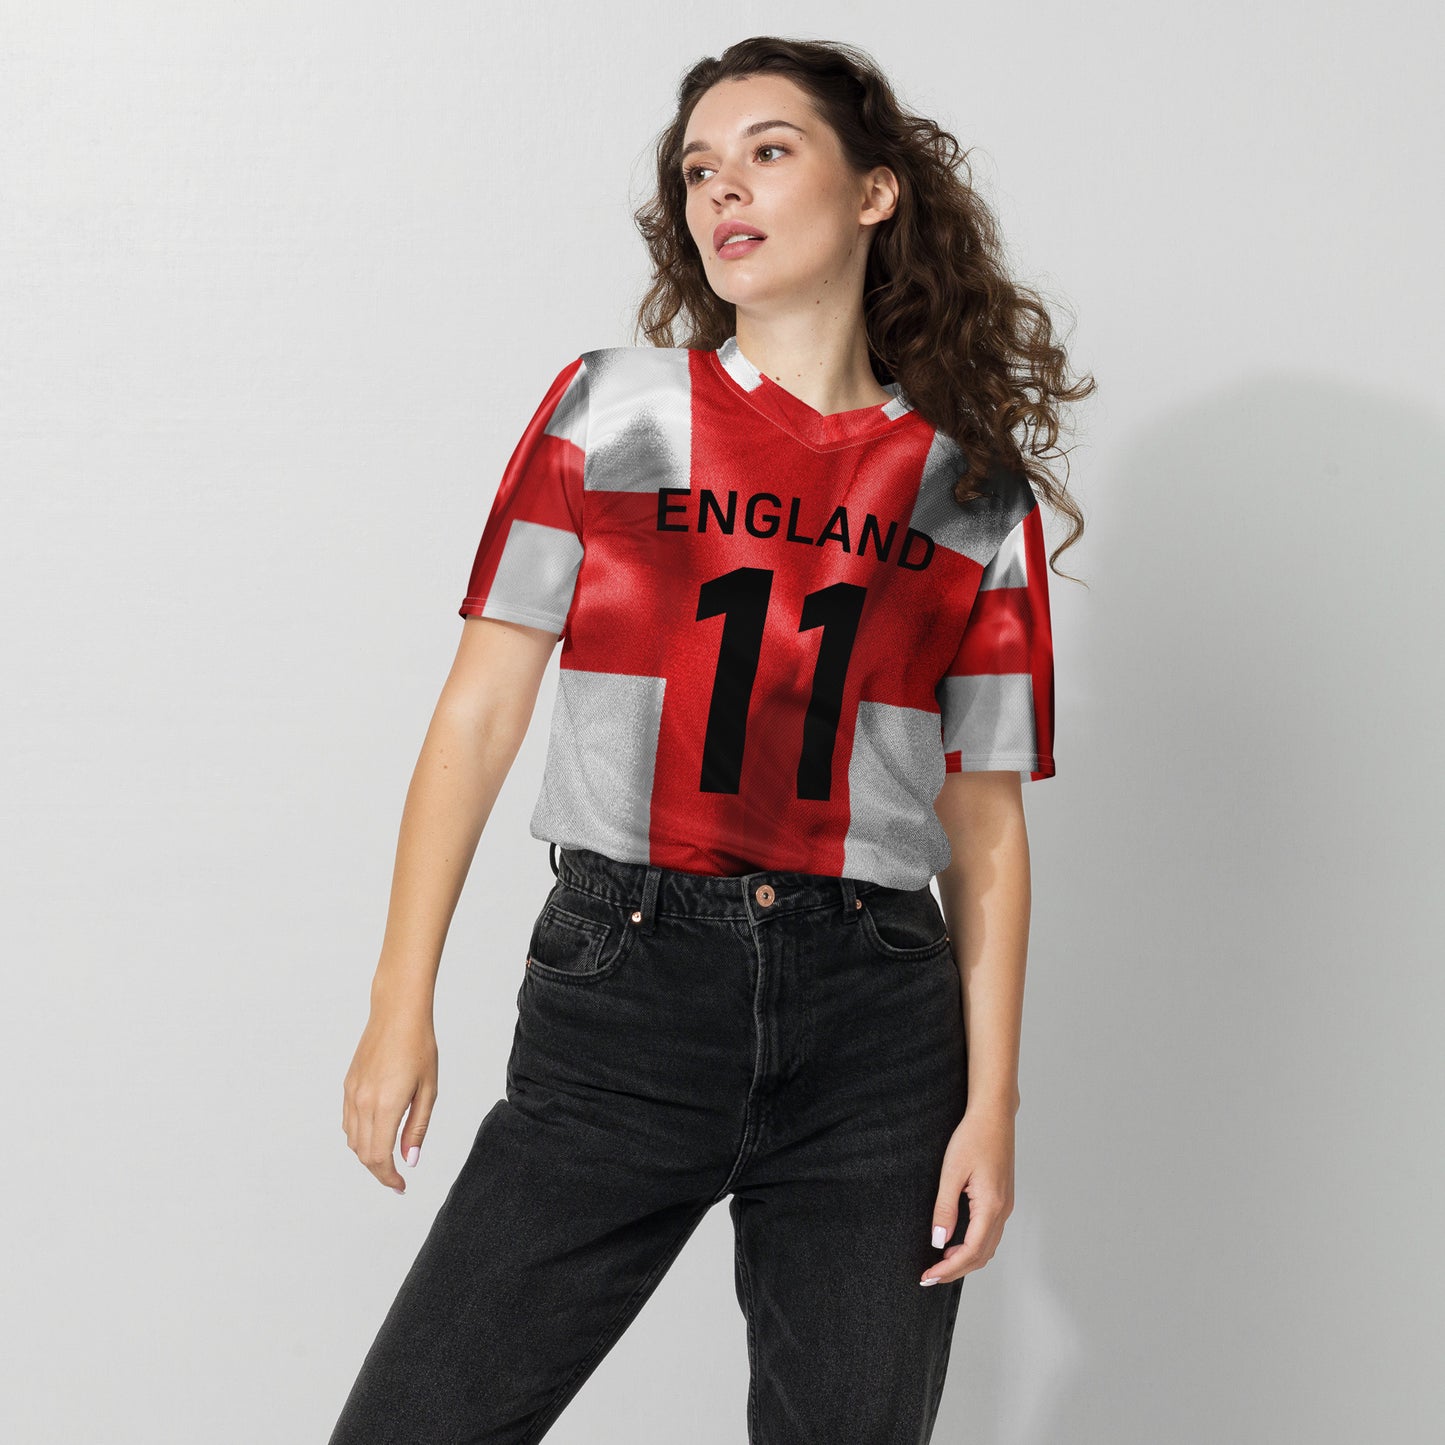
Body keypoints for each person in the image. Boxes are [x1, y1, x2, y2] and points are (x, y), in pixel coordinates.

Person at [328, 34, 1091, 1445]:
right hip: (627, 983)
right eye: (696, 169)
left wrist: (989, 1102)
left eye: (767, 151)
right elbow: (479, 713)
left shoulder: (970, 495)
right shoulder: (611, 411)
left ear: (874, 192)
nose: (721, 189)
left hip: (877, 1023)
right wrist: (399, 994)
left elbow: (983, 822)